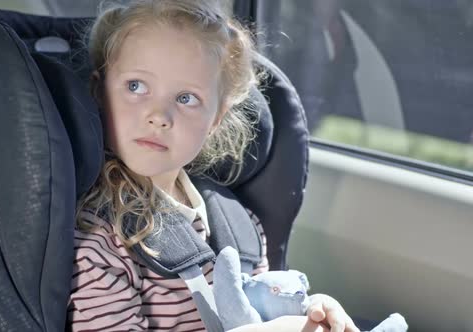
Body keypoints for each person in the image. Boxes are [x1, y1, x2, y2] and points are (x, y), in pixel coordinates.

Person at [67, 1, 359, 331]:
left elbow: (261, 305)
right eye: (136, 86)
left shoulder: (238, 224)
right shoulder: (100, 242)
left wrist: (311, 311)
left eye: (186, 98)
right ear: (98, 92)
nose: (159, 116)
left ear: (216, 119)